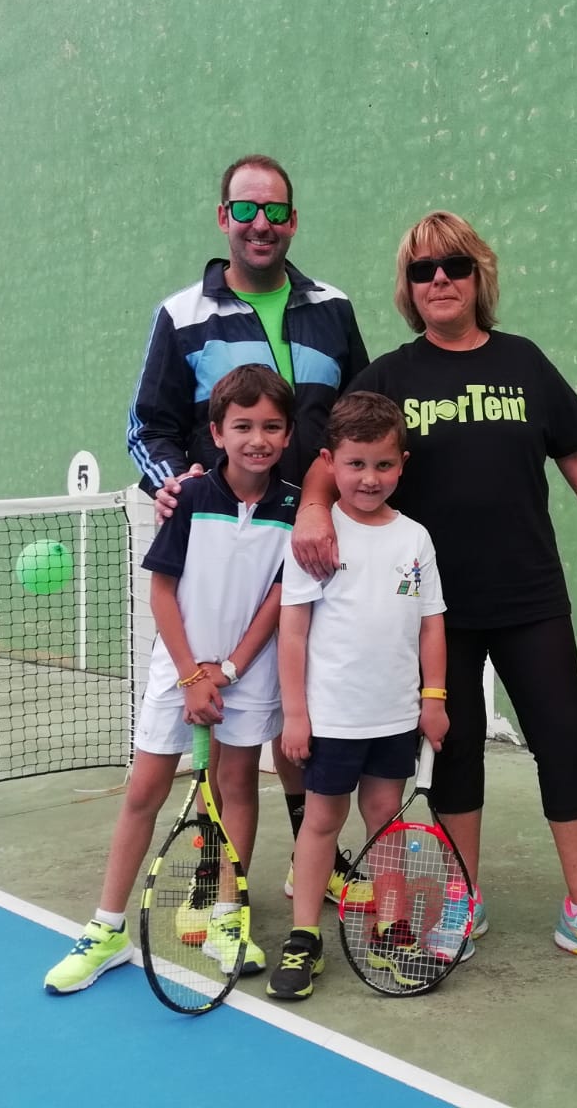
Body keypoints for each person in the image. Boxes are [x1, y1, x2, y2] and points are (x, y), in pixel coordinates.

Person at [290, 211, 577, 977]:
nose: (439, 280)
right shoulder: (389, 376)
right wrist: (312, 509)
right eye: (422, 270)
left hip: (530, 594)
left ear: (478, 275)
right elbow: (333, 457)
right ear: (408, 287)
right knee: (454, 751)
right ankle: (464, 897)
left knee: (563, 739)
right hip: (435, 611)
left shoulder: (524, 361)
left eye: (454, 265)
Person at [125, 153, 369, 902]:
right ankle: (214, 874)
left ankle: (314, 860)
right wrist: (175, 484)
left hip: (317, 545)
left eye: (275, 211)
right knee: (223, 734)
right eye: (246, 209)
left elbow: (358, 419)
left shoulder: (333, 308)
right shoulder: (181, 315)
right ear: (223, 217)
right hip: (223, 560)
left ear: (292, 220)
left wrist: (330, 502)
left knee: (303, 710)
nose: (261, 223)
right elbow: (147, 425)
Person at [44, 365, 299, 993]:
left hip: (248, 672)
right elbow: (162, 590)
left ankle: (226, 918)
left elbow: (277, 599)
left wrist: (229, 669)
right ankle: (107, 928)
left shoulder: (294, 507)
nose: (257, 439)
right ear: (216, 432)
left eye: (271, 427)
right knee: (144, 790)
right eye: (242, 426)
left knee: (238, 787)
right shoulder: (186, 497)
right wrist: (191, 675)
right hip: (177, 668)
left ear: (289, 435)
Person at [266, 393, 448, 1000]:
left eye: (383, 465)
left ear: (402, 464)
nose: (370, 478)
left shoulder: (415, 538)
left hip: (395, 717)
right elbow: (293, 632)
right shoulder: (315, 538)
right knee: (322, 821)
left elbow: (431, 624)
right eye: (356, 464)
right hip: (332, 720)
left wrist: (433, 699)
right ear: (330, 463)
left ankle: (392, 931)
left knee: (386, 823)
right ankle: (303, 937)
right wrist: (296, 714)